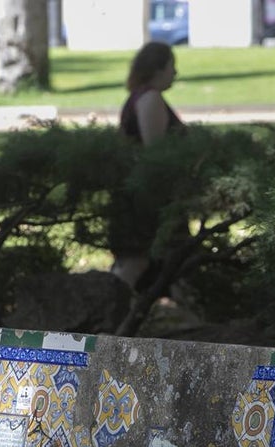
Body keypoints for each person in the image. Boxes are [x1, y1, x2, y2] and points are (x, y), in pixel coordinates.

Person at [110, 42, 187, 289]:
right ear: (158, 69)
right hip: (149, 201)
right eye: (172, 66)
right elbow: (155, 153)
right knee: (137, 262)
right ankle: (111, 306)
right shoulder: (150, 98)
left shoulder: (137, 97)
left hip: (141, 195)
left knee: (158, 263)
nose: (175, 73)